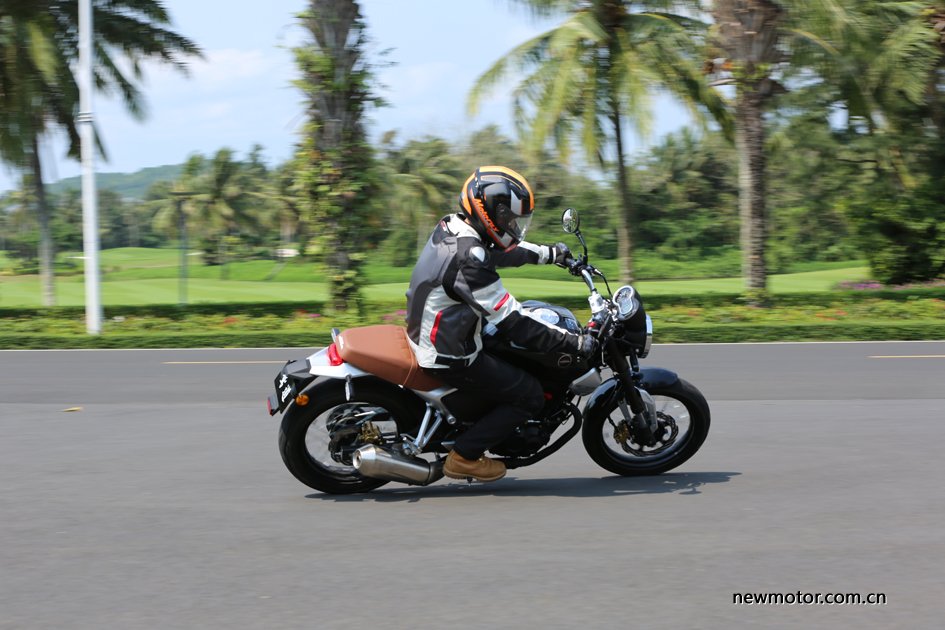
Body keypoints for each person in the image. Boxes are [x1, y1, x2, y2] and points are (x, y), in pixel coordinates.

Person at [405, 166, 597, 482]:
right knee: (530, 395)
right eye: (509, 218)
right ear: (489, 213)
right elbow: (513, 322)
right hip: (452, 351)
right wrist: (574, 343)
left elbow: (501, 253)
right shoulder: (469, 257)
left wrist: (551, 254)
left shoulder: (455, 228)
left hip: (444, 329)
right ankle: (465, 457)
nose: (513, 226)